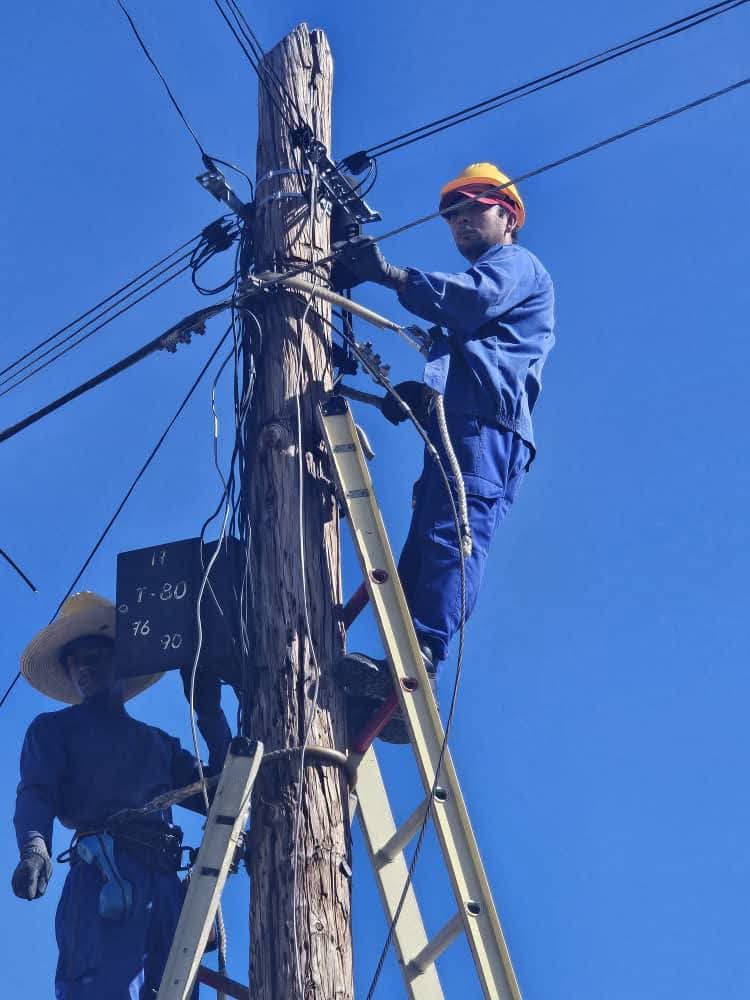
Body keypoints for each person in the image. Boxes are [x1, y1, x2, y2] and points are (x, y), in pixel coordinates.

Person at [336, 163, 556, 741]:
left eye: (472, 210)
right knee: (422, 545)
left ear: (508, 216)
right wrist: (418, 396)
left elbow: (468, 301)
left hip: (487, 428)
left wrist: (390, 275)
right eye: (452, 216)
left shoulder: (515, 266)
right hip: (459, 423)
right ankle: (395, 680)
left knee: (450, 535)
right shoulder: (484, 300)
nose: (460, 222)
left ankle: (421, 661)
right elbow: (466, 347)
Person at [11, 591, 231, 998]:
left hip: (164, 890)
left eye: (93, 656)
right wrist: (35, 847)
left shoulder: (158, 745)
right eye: (73, 661)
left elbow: (222, 793)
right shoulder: (54, 731)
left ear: (120, 661)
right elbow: (36, 793)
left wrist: (209, 711)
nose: (82, 668)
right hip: (104, 880)